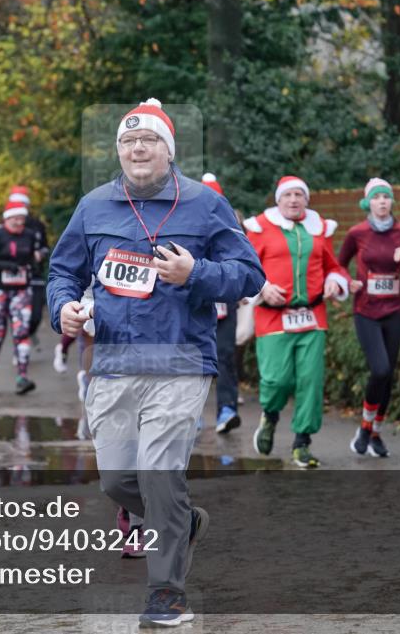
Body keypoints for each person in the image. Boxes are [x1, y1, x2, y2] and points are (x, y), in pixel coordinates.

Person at [47, 98, 264, 627]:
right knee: (117, 480)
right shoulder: (93, 206)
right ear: (118, 151)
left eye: (148, 141)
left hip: (181, 359)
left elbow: (249, 275)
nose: (137, 148)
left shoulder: (205, 204)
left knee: (160, 473)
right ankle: (181, 522)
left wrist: (195, 273)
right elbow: (61, 272)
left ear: (168, 150)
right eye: (128, 141)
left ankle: (167, 593)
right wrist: (65, 310)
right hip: (114, 362)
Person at [246, 175, 350, 469]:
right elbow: (246, 268)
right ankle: (270, 415)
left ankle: (302, 442)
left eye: (299, 195)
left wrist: (334, 281)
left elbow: (335, 266)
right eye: (288, 195)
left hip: (312, 316)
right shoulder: (260, 229)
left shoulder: (319, 230)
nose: (293, 200)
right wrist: (262, 288)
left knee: (310, 380)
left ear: (306, 199)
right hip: (273, 316)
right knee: (277, 379)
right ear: (278, 200)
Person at [337, 178, 400, 458]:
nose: (383, 202)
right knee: (380, 370)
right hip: (366, 311)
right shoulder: (357, 233)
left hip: (393, 312)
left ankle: (374, 432)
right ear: (368, 203)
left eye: (387, 197)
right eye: (377, 197)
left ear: (391, 202)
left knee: (388, 376)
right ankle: (365, 428)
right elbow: (337, 266)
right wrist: (347, 282)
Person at [0, 199, 39, 395]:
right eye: (15, 219)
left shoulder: (30, 236)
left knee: (21, 332)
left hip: (22, 290)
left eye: (22, 219)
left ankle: (22, 378)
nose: (19, 223)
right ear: (7, 218)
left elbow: (32, 258)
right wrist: (5, 265)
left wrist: (33, 264)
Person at [201, 173, 243, 434]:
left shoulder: (232, 226)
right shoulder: (182, 222)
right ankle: (188, 413)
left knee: (225, 356)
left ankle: (227, 410)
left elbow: (244, 259)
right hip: (193, 305)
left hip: (225, 303)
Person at [7, 186, 50, 345]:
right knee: (16, 315)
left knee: (36, 315)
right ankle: (19, 348)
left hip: (35, 274)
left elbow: (46, 247)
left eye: (23, 205)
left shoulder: (37, 225)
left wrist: (40, 254)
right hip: (14, 276)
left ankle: (29, 333)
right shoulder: (5, 227)